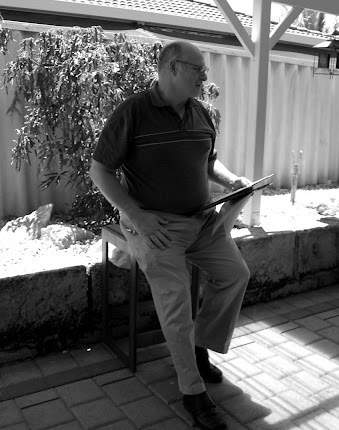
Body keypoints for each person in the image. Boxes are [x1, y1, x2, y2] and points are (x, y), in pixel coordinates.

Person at [90, 40, 251, 430]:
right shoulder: (134, 112)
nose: (204, 77)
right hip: (156, 226)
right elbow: (100, 171)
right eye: (198, 69)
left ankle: (198, 348)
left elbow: (209, 164)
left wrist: (233, 182)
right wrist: (137, 216)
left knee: (235, 275)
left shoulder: (201, 113)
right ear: (172, 68)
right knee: (176, 302)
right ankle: (192, 393)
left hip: (202, 222)